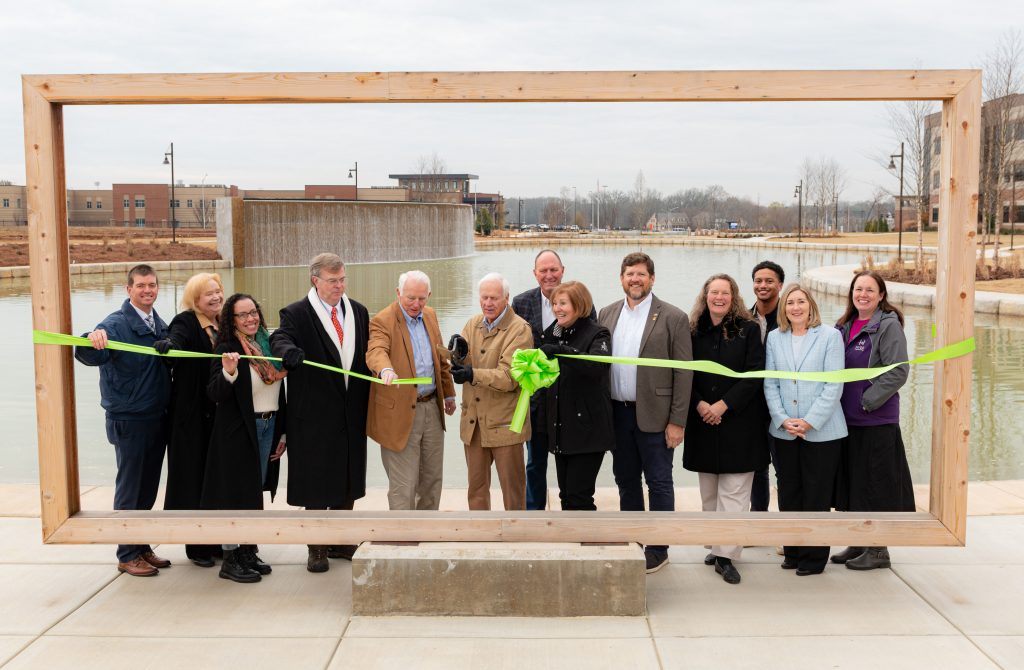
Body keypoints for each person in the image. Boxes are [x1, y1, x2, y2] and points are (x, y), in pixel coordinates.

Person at [270, 253, 371, 573]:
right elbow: (278, 339)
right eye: (333, 281)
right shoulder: (297, 313)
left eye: (343, 279)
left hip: (349, 413)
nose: (339, 286)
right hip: (313, 416)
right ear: (315, 280)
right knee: (316, 481)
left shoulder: (358, 311)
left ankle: (340, 539)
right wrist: (289, 353)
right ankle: (316, 546)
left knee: (346, 477)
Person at [74, 264, 172, 577]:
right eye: (141, 286)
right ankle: (126, 553)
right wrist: (90, 338)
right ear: (128, 289)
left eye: (152, 285)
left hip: (157, 417)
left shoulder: (159, 323)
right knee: (130, 488)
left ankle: (141, 546)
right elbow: (90, 354)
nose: (148, 291)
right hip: (129, 420)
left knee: (148, 487)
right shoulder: (115, 325)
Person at [598, 252, 692, 574]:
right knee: (625, 480)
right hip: (618, 414)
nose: (634, 279)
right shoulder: (607, 314)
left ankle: (659, 547)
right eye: (629, 274)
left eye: (640, 274)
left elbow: (684, 373)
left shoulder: (673, 317)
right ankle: (635, 539)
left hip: (656, 416)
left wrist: (677, 421)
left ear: (652, 278)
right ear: (621, 278)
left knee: (660, 482)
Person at [683, 274, 768, 585]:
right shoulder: (692, 332)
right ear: (705, 296)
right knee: (710, 492)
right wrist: (700, 404)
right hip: (703, 421)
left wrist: (723, 405)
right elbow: (685, 374)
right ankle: (716, 544)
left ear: (734, 297)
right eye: (713, 292)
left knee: (734, 493)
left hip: (739, 423)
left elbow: (754, 375)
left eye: (725, 293)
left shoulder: (748, 330)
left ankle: (727, 556)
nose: (719, 298)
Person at [831, 270, 914, 571]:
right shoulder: (843, 326)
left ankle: (878, 549)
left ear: (881, 296)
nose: (862, 294)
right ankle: (858, 542)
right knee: (855, 484)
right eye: (858, 289)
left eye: (869, 290)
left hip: (876, 420)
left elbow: (898, 372)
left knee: (877, 485)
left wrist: (867, 401)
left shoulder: (888, 326)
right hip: (846, 422)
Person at [764, 284, 847, 576]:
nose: (795, 308)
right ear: (783, 309)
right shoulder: (775, 338)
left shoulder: (830, 337)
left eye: (801, 302)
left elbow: (834, 384)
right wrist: (782, 418)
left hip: (821, 431)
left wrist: (810, 421)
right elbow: (770, 383)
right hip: (784, 430)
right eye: (790, 303)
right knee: (789, 491)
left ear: (810, 305)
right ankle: (793, 550)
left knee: (817, 493)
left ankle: (813, 558)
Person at [204, 293, 287, 583]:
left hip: (268, 425)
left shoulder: (269, 344)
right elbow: (214, 392)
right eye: (243, 315)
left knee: (253, 492)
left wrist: (282, 431)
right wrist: (228, 372)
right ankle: (230, 557)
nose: (250, 318)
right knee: (233, 495)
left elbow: (278, 393)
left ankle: (248, 549)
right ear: (232, 319)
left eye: (254, 312)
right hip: (238, 431)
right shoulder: (226, 347)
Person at [366, 270, 456, 511]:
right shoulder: (382, 320)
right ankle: (401, 538)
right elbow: (376, 350)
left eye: (422, 298)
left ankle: (426, 535)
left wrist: (448, 393)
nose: (416, 304)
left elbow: (440, 357)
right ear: (398, 293)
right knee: (403, 486)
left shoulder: (431, 315)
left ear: (429, 295)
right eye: (410, 298)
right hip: (400, 413)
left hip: (432, 408)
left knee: (432, 481)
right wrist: (384, 370)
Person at [511, 249, 594, 510]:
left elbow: (589, 350)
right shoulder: (521, 303)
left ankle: (571, 510)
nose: (549, 275)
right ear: (535, 273)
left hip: (568, 400)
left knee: (568, 459)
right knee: (535, 461)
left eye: (553, 270)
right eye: (543, 270)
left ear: (563, 271)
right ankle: (534, 514)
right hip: (535, 398)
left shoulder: (580, 302)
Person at [153, 272, 224, 568]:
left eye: (218, 290)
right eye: (209, 293)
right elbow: (175, 340)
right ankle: (196, 546)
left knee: (214, 479)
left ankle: (217, 539)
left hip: (217, 415)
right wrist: (168, 344)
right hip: (191, 418)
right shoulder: (186, 320)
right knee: (192, 480)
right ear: (195, 300)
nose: (216, 297)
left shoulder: (224, 324)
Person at [452, 273, 533, 511]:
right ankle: (480, 539)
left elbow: (509, 377)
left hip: (505, 425)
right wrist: (454, 357)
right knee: (475, 491)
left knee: (513, 493)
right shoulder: (471, 324)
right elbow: (462, 363)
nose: (488, 302)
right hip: (473, 424)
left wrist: (471, 374)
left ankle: (516, 540)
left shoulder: (520, 330)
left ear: (506, 298)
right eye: (484, 297)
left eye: (494, 298)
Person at [539, 281, 614, 511]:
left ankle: (587, 543)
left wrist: (562, 351)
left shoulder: (598, 333)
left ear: (579, 305)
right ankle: (573, 544)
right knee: (566, 496)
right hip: (561, 429)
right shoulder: (552, 333)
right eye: (554, 304)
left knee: (580, 496)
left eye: (563, 303)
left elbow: (596, 367)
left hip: (588, 430)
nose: (557, 309)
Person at [749, 260, 785, 513]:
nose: (763, 285)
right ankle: (758, 519)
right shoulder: (743, 318)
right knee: (756, 467)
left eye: (769, 281)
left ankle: (786, 528)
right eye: (758, 281)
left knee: (784, 469)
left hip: (783, 406)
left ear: (780, 285)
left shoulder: (791, 317)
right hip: (751, 405)